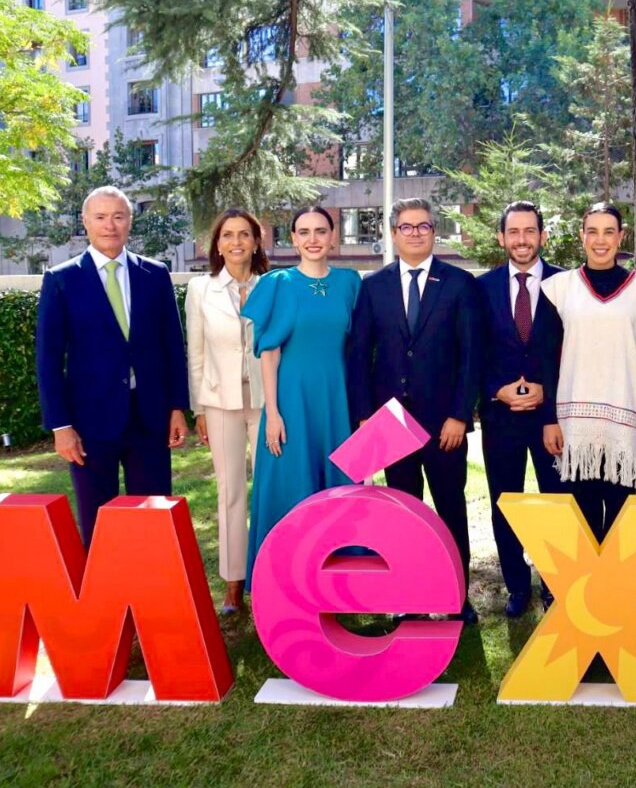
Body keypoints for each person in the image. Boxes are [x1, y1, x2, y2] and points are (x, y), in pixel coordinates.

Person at [347, 198, 482, 624]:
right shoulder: (373, 286)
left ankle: (458, 597)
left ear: (434, 231)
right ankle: (409, 594)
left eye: (424, 226)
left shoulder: (460, 284)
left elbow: (469, 357)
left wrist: (461, 415)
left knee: (449, 507)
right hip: (390, 423)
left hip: (445, 423)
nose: (416, 233)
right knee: (402, 511)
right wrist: (366, 414)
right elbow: (358, 354)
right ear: (393, 233)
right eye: (407, 227)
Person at [36, 186, 190, 545]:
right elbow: (48, 359)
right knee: (98, 523)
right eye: (101, 217)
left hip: (150, 418)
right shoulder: (61, 279)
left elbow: (172, 346)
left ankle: (149, 596)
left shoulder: (155, 274)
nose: (110, 225)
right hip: (89, 425)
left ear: (130, 222)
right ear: (85, 222)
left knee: (152, 520)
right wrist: (60, 426)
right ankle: (105, 601)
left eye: (119, 216)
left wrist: (177, 407)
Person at [242, 206, 360, 589]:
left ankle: (343, 581)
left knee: (339, 486)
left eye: (320, 231)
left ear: (332, 236)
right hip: (291, 400)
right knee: (292, 483)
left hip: (336, 399)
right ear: (292, 238)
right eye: (304, 232)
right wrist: (272, 413)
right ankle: (285, 580)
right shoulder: (278, 283)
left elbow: (357, 344)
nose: (313, 239)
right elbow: (269, 353)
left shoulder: (349, 282)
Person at [541, 202, 636, 542]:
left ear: (621, 236)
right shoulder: (560, 288)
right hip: (573, 425)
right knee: (580, 523)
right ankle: (582, 594)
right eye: (593, 231)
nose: (601, 240)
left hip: (626, 422)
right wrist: (549, 418)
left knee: (620, 521)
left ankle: (626, 595)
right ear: (582, 236)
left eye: (609, 231)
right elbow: (548, 359)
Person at [477, 201, 564, 617]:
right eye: (514, 232)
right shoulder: (482, 288)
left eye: (530, 231)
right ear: (502, 238)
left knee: (556, 502)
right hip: (501, 417)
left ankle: (554, 583)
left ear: (542, 237)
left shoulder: (568, 285)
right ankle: (516, 584)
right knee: (505, 502)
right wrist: (497, 390)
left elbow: (575, 350)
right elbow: (471, 352)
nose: (522, 240)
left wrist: (550, 392)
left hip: (552, 419)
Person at [185, 208, 270, 614]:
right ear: (217, 245)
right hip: (220, 403)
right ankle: (234, 583)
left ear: (257, 241)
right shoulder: (200, 290)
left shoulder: (274, 285)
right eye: (227, 235)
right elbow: (196, 353)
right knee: (231, 492)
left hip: (267, 403)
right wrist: (199, 406)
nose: (236, 242)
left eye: (244, 234)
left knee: (271, 492)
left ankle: (272, 577)